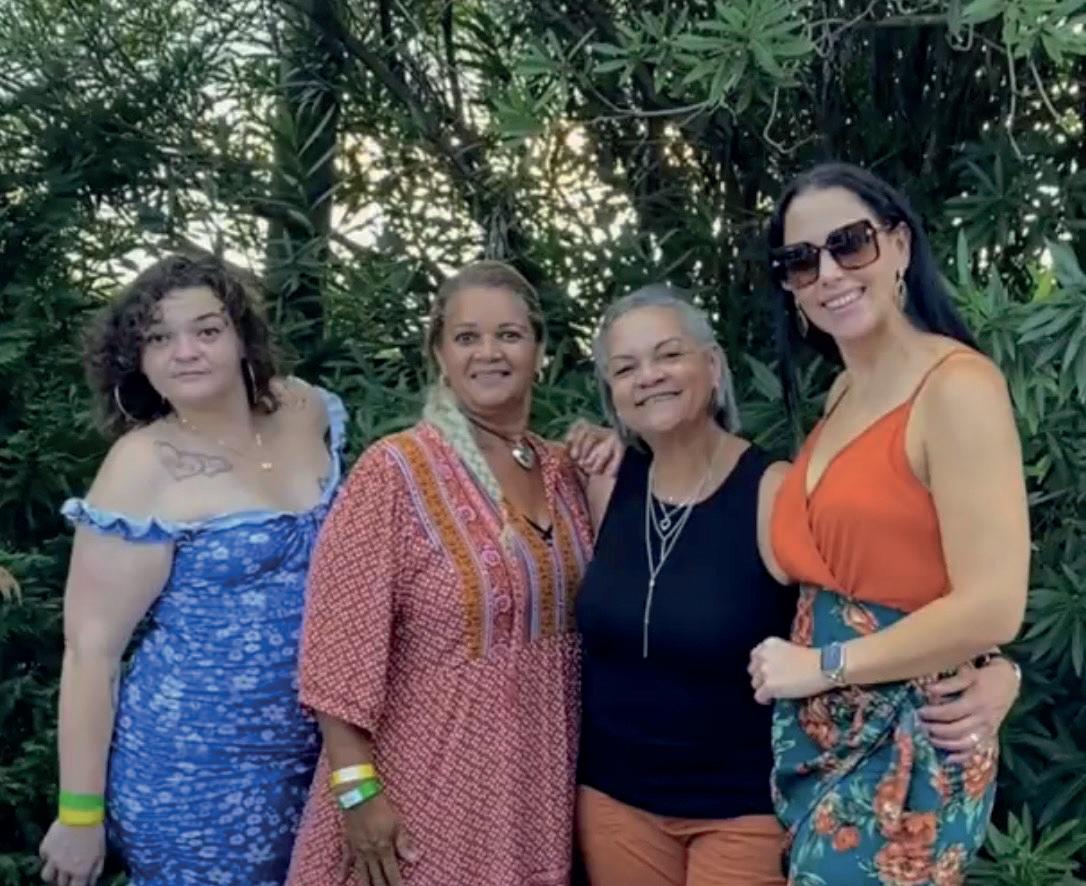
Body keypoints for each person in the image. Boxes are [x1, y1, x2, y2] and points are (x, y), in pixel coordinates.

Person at [566, 285, 1021, 886]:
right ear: (611, 392)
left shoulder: (774, 489)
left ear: (713, 366)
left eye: (668, 354)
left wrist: (994, 666)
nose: (648, 376)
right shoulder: (600, 482)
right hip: (615, 800)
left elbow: (880, 593)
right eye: (625, 368)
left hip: (741, 806)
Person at [751, 162, 1029, 883]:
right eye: (801, 261)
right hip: (827, 744)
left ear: (899, 245)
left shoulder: (957, 388)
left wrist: (822, 666)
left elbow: (994, 604)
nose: (829, 274)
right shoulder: (843, 391)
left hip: (908, 743)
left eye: (850, 244)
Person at [38, 254, 346, 886]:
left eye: (206, 330)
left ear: (241, 337)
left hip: (324, 757)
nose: (185, 352)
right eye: (159, 338)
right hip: (194, 773)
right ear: (137, 360)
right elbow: (91, 652)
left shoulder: (304, 409)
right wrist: (79, 814)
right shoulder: (140, 467)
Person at [286, 260, 595, 886]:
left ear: (540, 351)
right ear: (439, 354)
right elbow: (337, 653)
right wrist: (357, 793)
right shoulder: (394, 472)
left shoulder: (566, 472)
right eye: (467, 337)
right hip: (420, 788)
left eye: (509, 335)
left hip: (533, 789)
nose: (490, 352)